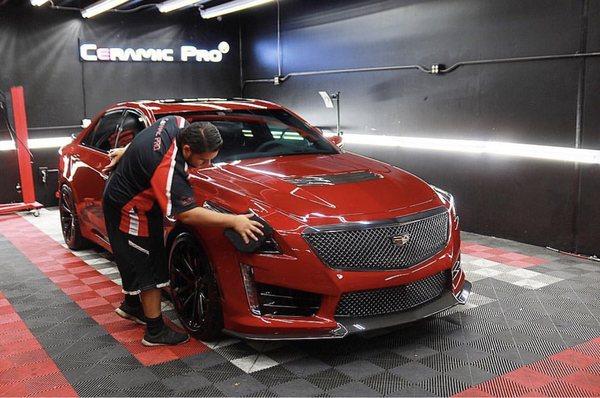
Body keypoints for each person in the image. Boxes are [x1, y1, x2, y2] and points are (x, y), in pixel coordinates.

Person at [102, 116, 264, 346]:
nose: (205, 166)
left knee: (138, 257)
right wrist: (234, 221)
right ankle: (155, 332)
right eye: (203, 160)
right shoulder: (167, 167)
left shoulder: (176, 123)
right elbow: (186, 213)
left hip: (128, 194)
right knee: (149, 266)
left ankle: (132, 306)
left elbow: (147, 135)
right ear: (187, 148)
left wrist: (127, 150)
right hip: (130, 208)